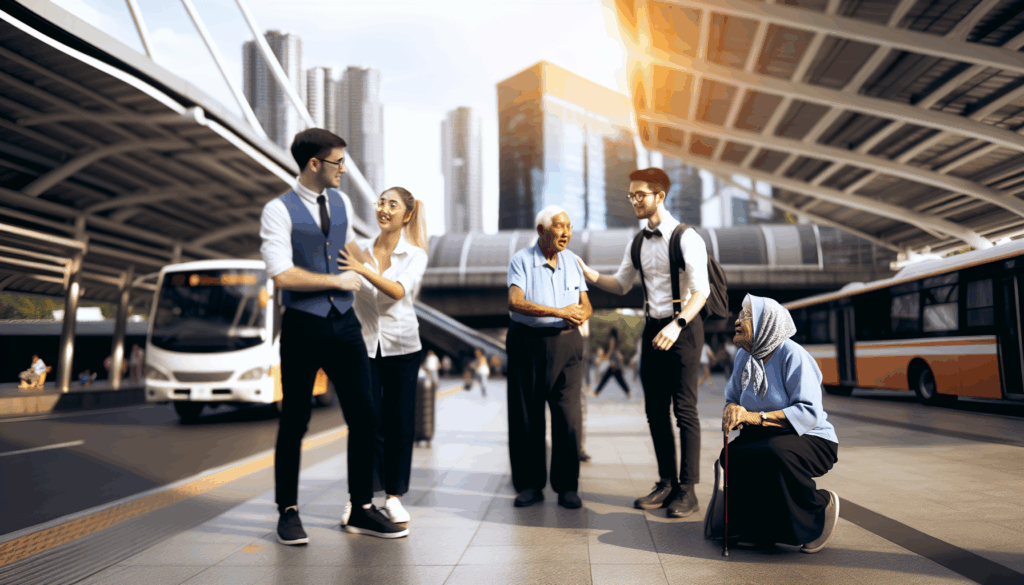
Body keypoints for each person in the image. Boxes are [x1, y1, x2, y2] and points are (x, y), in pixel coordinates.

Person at [259, 127, 406, 544]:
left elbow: (350, 248)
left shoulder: (341, 202)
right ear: (314, 164)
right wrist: (335, 282)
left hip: (344, 323)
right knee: (295, 419)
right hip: (303, 324)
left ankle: (361, 508)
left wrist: (376, 273)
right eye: (338, 162)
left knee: (365, 415)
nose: (343, 169)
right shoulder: (278, 211)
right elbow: (281, 273)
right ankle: (288, 512)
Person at [577, 167, 710, 519]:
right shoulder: (637, 242)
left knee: (685, 410)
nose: (634, 201)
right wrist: (590, 274)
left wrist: (678, 325)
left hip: (684, 327)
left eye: (640, 195)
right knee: (654, 410)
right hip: (652, 328)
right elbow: (622, 284)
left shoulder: (687, 238)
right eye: (631, 195)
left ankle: (687, 490)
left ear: (659, 196)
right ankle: (666, 482)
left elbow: (702, 291)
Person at [340, 185, 429, 528]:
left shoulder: (415, 255)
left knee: (399, 423)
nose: (384, 209)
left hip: (403, 346)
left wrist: (364, 270)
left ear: (406, 215)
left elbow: (397, 292)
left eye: (393, 205)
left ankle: (393, 496)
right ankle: (360, 499)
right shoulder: (359, 250)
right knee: (365, 423)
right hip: (362, 346)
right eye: (381, 202)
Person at [722, 294, 840, 553]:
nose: (737, 321)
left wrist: (754, 417)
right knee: (732, 455)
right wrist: (731, 410)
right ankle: (759, 527)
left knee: (775, 453)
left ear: (766, 323)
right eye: (739, 315)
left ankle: (818, 509)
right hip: (767, 436)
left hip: (812, 438)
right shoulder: (743, 358)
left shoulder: (793, 354)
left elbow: (809, 412)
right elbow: (732, 398)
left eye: (746, 316)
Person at [506, 205, 591, 509]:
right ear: (541, 230)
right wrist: (559, 311)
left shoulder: (572, 261)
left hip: (567, 345)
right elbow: (515, 302)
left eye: (569, 226)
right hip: (528, 343)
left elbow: (585, 303)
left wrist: (581, 314)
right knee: (527, 416)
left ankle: (567, 487)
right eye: (559, 226)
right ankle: (530, 486)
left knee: (568, 417)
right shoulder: (521, 260)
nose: (566, 232)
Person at [594, 327, 630, 398]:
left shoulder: (612, 339)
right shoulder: (617, 340)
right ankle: (627, 392)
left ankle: (596, 392)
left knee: (610, 378)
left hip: (613, 362)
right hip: (615, 361)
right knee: (614, 378)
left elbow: (611, 350)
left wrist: (605, 358)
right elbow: (617, 352)